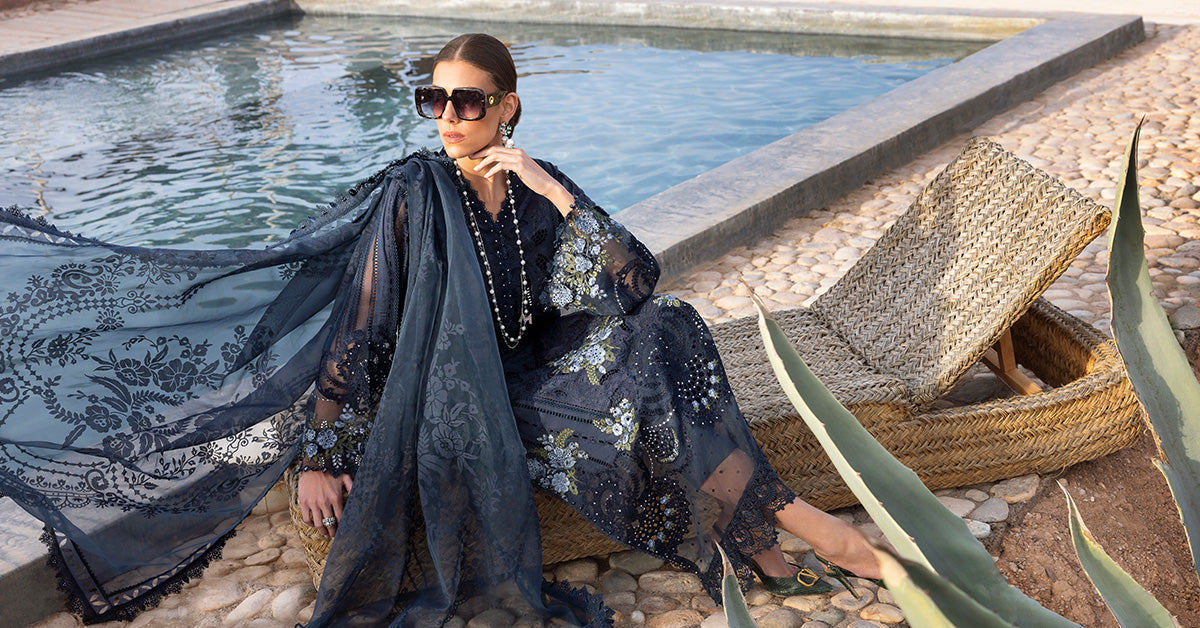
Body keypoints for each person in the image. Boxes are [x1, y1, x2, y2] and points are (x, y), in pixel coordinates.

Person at [0, 32, 879, 628]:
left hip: (538, 365)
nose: (450, 117)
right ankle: (789, 531)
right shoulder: (415, 192)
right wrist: (322, 453)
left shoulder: (536, 180)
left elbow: (634, 279)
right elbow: (363, 327)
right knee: (639, 402)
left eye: (469, 102)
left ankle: (760, 533)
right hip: (461, 391)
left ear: (508, 107)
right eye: (435, 100)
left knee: (667, 328)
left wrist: (552, 190)